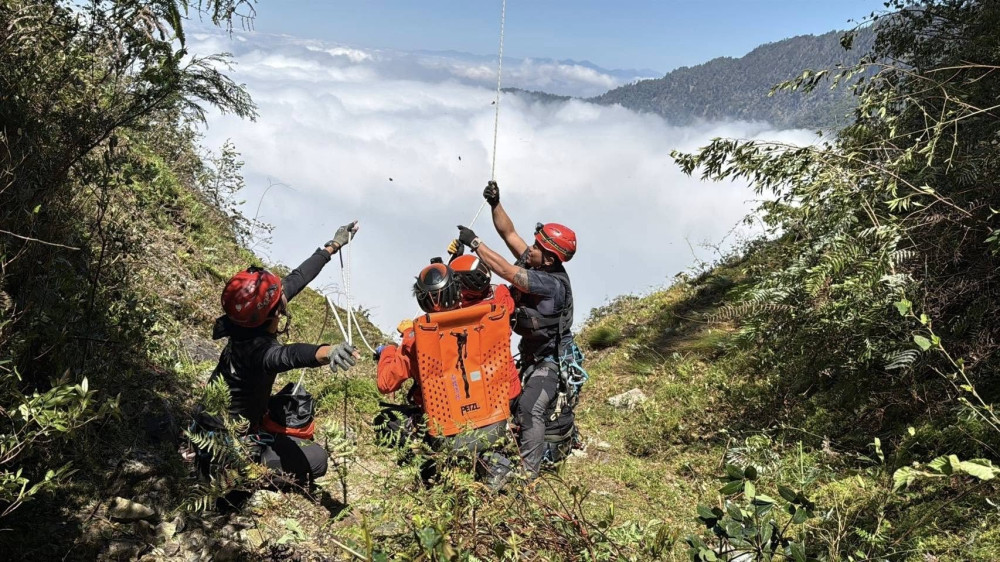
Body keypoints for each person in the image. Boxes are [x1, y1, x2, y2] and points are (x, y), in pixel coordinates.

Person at [207, 221, 361, 486]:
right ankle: (239, 477)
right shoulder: (259, 353)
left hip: (212, 425)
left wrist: (333, 246)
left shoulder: (244, 321)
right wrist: (328, 352)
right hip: (227, 445)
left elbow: (297, 279)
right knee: (317, 459)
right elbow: (291, 355)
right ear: (274, 312)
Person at [453, 180, 578, 480]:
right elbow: (508, 233)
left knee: (530, 408)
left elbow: (507, 272)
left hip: (549, 361)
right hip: (530, 356)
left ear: (549, 258)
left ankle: (528, 477)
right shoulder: (539, 262)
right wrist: (496, 203)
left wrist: (475, 244)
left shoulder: (551, 284)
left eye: (536, 247)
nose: (529, 248)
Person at [375, 262, 515, 489]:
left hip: (446, 433)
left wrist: (389, 349)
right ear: (458, 289)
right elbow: (503, 297)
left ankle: (429, 467)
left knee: (386, 420)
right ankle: (491, 461)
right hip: (495, 423)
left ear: (421, 300)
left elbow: (385, 383)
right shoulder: (490, 318)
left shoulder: (416, 340)